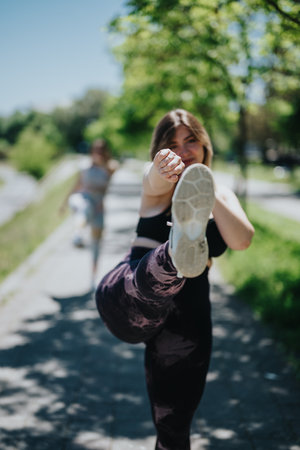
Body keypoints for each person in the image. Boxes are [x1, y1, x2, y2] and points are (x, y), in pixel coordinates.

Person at [95, 109, 255, 450]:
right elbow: (153, 178)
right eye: (172, 143)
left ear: (205, 145)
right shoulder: (155, 184)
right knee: (157, 273)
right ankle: (174, 252)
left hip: (187, 320)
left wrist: (205, 190)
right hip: (133, 292)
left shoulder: (221, 193)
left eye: (191, 141)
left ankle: (184, 246)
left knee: (173, 425)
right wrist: (162, 166)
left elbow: (242, 239)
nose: (182, 150)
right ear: (159, 149)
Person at [61, 139, 118, 287]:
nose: (97, 153)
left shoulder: (110, 166)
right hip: (83, 198)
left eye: (100, 150)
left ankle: (93, 277)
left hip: (98, 205)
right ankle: (77, 235)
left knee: (96, 243)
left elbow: (109, 175)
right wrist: (63, 204)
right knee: (83, 208)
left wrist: (100, 163)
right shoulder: (85, 166)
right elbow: (76, 185)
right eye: (95, 150)